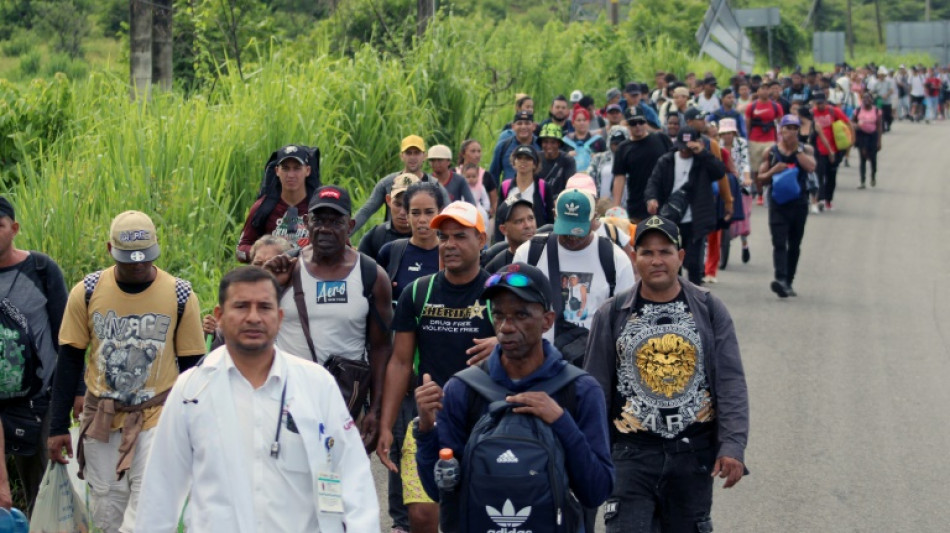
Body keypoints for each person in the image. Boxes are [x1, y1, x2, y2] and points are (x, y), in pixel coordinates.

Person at [137, 266, 379, 532]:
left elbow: (353, 474)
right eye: (241, 306)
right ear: (219, 316)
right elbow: (161, 489)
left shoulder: (316, 384)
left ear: (279, 316)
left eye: (264, 307)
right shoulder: (191, 390)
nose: (253, 317)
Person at [414, 263, 614, 532]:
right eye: (499, 315)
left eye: (521, 315)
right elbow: (440, 490)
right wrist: (427, 431)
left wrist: (559, 420)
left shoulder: (579, 390)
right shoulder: (463, 388)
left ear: (547, 320)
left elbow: (596, 491)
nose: (507, 327)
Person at [585, 214, 749, 533]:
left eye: (665, 251)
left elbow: (731, 382)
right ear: (635, 258)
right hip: (631, 454)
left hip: (692, 455)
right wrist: (592, 454)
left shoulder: (709, 309)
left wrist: (733, 445)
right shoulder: (611, 314)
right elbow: (594, 389)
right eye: (647, 252)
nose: (656, 260)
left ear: (681, 257)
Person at [47, 210, 206, 533]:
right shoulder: (88, 292)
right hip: (101, 417)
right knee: (107, 508)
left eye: (144, 259)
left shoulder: (179, 295)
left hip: (157, 417)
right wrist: (58, 425)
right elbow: (69, 360)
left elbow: (193, 369)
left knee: (149, 508)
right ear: (110, 250)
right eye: (128, 260)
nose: (137, 266)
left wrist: (196, 428)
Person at [376, 202, 497, 533]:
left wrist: (502, 342)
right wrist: (386, 425)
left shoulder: (499, 292)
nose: (450, 245)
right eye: (444, 237)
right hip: (428, 420)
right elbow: (400, 362)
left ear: (482, 239)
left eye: (461, 236)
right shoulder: (419, 291)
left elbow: (533, 339)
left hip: (485, 423)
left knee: (479, 515)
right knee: (422, 517)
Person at [264, 185, 392, 448]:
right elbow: (253, 331)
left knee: (336, 485)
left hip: (344, 409)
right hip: (286, 406)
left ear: (351, 225)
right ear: (306, 222)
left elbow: (381, 348)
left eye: (335, 221)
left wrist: (375, 411)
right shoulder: (285, 269)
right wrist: (269, 284)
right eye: (318, 220)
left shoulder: (372, 276)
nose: (325, 228)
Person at [0, 197, 68, 516]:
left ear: (14, 229)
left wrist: (76, 391)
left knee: (42, 488)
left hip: (39, 399)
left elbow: (67, 337)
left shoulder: (41, 269)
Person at [513, 189, 635, 356]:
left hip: (593, 364)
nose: (572, 237)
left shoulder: (616, 260)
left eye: (578, 230)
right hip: (538, 364)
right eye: (566, 229)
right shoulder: (528, 254)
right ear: (554, 215)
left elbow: (625, 324)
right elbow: (512, 309)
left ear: (594, 219)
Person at [645, 127, 730, 286]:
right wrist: (652, 199)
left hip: (695, 219)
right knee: (672, 260)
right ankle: (674, 295)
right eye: (682, 147)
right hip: (671, 219)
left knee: (694, 263)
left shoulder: (702, 161)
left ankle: (695, 298)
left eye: (688, 147)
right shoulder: (667, 160)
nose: (684, 151)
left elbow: (719, 172)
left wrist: (703, 153)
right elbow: (653, 182)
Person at [756, 115, 817, 298]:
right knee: (779, 242)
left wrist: (797, 151)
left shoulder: (805, 149)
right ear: (780, 130)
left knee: (795, 243)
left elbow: (811, 167)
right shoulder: (772, 152)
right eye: (787, 128)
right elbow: (761, 177)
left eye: (794, 128)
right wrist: (774, 170)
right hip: (778, 203)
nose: (790, 131)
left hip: (799, 203)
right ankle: (780, 279)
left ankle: (789, 280)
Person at [351, 135, 448, 235]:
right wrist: (346, 234)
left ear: (424, 156)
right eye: (408, 153)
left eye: (417, 153)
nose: (412, 157)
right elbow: (367, 210)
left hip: (424, 242)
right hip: (391, 241)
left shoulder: (435, 187)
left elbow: (448, 216)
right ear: (401, 156)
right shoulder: (387, 184)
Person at [236, 145, 313, 262]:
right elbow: (241, 250)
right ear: (277, 171)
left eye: (297, 168)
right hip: (272, 276)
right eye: (285, 168)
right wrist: (267, 256)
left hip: (309, 273)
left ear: (307, 170)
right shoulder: (263, 207)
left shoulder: (318, 207)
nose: (291, 175)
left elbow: (345, 247)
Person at [378, 180, 444, 301]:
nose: (422, 219)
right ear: (407, 215)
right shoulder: (390, 252)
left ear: (440, 212)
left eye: (429, 212)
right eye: (415, 213)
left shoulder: (450, 253)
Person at [611, 111, 673, 222]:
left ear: (646, 122)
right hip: (637, 203)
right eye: (633, 123)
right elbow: (619, 177)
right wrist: (616, 206)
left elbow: (675, 163)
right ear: (627, 125)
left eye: (641, 122)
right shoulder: (623, 148)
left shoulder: (661, 138)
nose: (638, 126)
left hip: (664, 201)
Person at [497, 145, 553, 243]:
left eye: (528, 158)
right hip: (509, 244)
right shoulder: (505, 186)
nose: (523, 161)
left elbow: (550, 219)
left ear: (535, 164)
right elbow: (499, 218)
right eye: (519, 158)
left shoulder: (543, 186)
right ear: (514, 163)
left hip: (537, 243)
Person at [718, 119, 753, 263]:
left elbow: (745, 162)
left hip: (740, 184)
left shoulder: (741, 143)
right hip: (723, 182)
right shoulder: (717, 145)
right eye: (724, 133)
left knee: (744, 219)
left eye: (730, 133)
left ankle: (745, 245)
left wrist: (746, 177)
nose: (727, 136)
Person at [358, 173, 416, 261]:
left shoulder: (431, 238)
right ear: (388, 200)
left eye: (409, 205)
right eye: (398, 204)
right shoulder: (374, 237)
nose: (403, 212)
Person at [810, 92, 851, 211]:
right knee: (819, 175)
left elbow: (847, 124)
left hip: (835, 149)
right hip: (818, 150)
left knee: (831, 177)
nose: (819, 106)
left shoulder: (834, 111)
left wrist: (850, 140)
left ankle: (828, 200)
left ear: (826, 102)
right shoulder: (812, 113)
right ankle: (820, 199)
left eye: (821, 103)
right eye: (817, 103)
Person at [746, 82, 784, 205]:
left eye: (767, 89)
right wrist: (747, 139)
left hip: (770, 140)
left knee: (771, 167)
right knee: (756, 169)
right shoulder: (751, 107)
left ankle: (770, 190)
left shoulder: (776, 106)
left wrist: (782, 140)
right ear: (757, 92)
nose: (764, 91)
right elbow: (748, 124)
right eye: (762, 89)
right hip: (755, 140)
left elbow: (781, 123)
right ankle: (760, 193)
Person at [485, 195, 537, 274]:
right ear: (504, 229)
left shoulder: (548, 252)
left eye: (531, 218)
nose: (528, 225)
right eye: (519, 221)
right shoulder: (495, 267)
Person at [489, 110, 541, 184]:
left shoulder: (541, 145)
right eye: (519, 123)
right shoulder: (503, 147)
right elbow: (493, 176)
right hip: (509, 193)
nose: (523, 127)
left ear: (534, 126)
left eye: (527, 123)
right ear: (513, 127)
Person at [456, 139, 498, 216]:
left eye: (479, 151)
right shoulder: (454, 173)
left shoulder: (486, 175)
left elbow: (494, 201)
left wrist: (489, 212)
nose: (477, 155)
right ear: (463, 154)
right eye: (473, 151)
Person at [537, 123, 577, 204]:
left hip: (561, 202)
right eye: (545, 142)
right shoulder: (536, 158)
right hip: (538, 201)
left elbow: (570, 186)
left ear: (559, 143)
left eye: (553, 142)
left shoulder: (568, 160)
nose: (549, 145)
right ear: (541, 143)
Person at [591, 125, 630, 205]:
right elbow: (590, 178)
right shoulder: (599, 158)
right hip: (602, 205)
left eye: (621, 143)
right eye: (615, 143)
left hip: (627, 207)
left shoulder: (632, 159)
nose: (618, 146)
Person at [852, 92, 883, 189]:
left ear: (872, 100)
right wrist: (856, 126)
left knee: (873, 159)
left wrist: (879, 141)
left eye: (868, 98)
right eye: (864, 98)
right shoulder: (857, 110)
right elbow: (852, 122)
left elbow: (879, 126)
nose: (866, 100)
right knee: (862, 157)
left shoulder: (876, 111)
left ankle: (873, 176)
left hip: (872, 136)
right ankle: (862, 181)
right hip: (861, 136)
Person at [563, 108, 606, 173]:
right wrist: (566, 156)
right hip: (571, 178)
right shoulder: (565, 141)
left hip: (593, 177)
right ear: (573, 123)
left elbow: (606, 160)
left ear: (588, 122)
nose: (582, 123)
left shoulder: (599, 140)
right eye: (578, 120)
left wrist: (598, 157)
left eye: (584, 120)